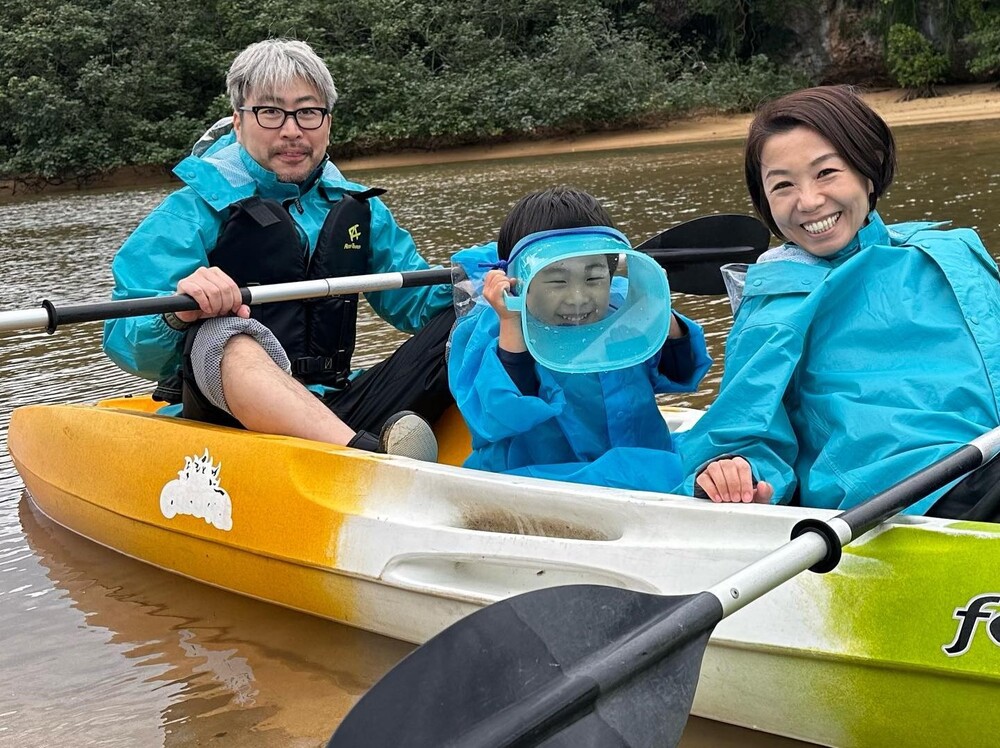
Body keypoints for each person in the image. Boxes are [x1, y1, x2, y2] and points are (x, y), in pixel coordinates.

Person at [103, 39, 455, 460]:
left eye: (307, 112)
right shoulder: (188, 213)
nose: (292, 131)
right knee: (221, 330)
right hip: (229, 421)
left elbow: (418, 303)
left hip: (338, 402)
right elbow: (128, 345)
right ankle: (363, 458)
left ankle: (492, 438)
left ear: (327, 123)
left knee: (467, 315)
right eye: (270, 112)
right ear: (238, 121)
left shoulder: (359, 208)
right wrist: (178, 314)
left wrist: (485, 278)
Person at [680, 84, 1000, 520]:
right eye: (783, 185)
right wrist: (734, 472)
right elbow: (743, 432)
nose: (809, 201)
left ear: (868, 171)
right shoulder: (776, 306)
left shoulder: (951, 252)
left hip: (988, 455)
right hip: (904, 489)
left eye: (826, 173)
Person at [448, 186, 712, 491]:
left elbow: (681, 373)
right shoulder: (493, 330)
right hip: (545, 476)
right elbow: (497, 417)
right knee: (660, 473)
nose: (578, 298)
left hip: (644, 456)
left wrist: (658, 309)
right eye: (557, 281)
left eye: (593, 278)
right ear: (518, 282)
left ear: (610, 273)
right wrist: (511, 323)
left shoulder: (623, 308)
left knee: (717, 448)